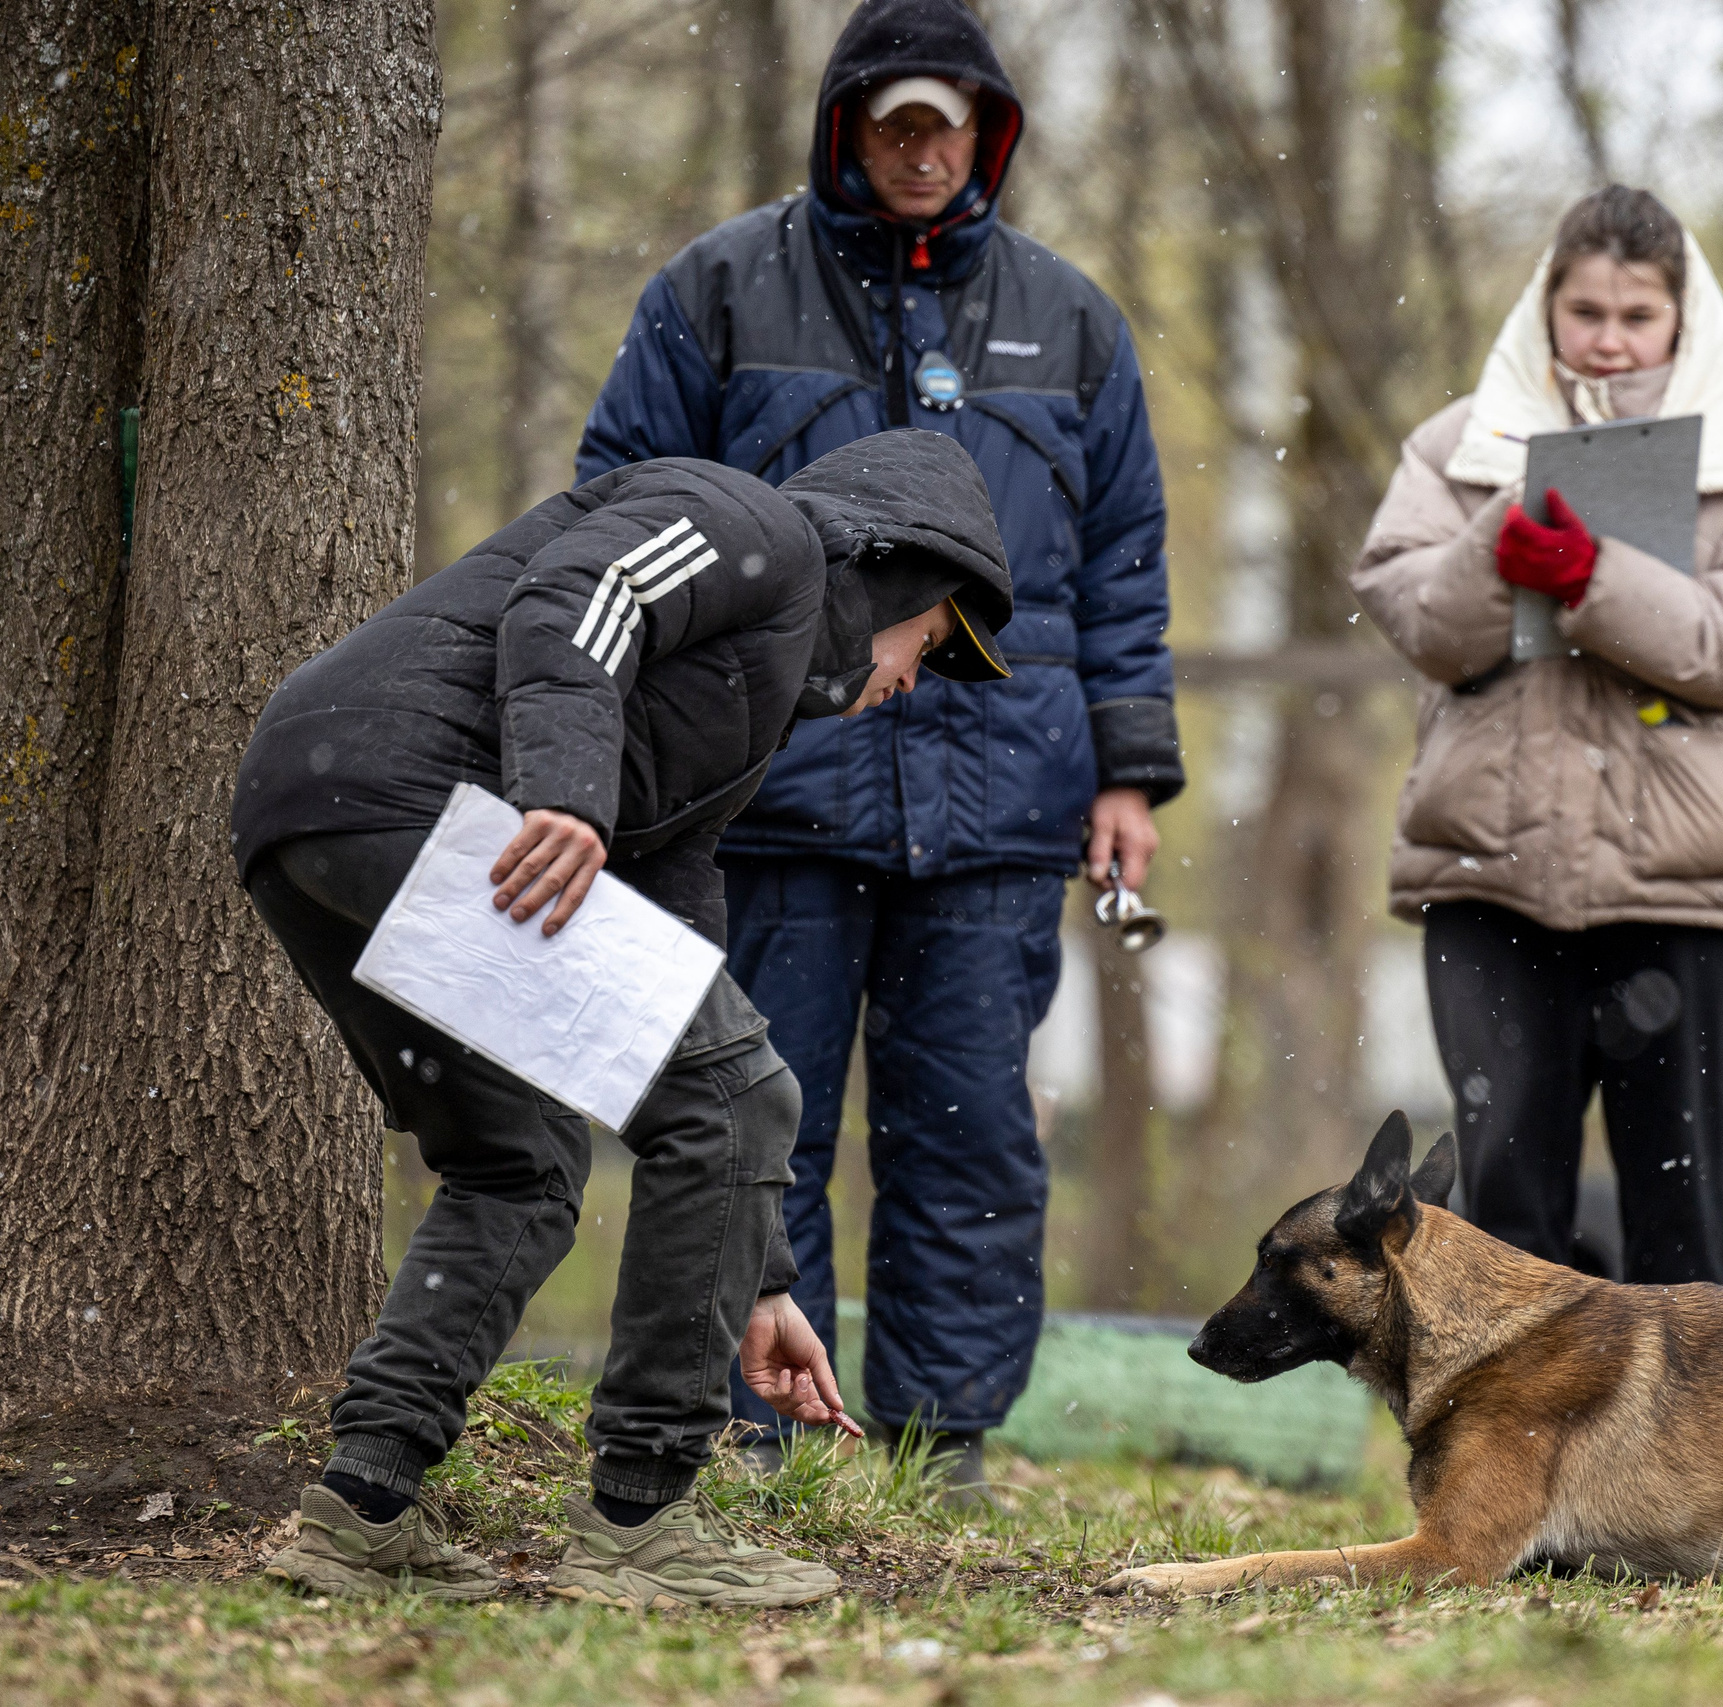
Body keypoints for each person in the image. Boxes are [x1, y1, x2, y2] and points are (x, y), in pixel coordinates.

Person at [239, 432, 1012, 1607]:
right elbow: (582, 592)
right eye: (937, 644)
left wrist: (761, 1277)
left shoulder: (742, 711)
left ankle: (360, 1511)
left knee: (523, 1160)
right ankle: (642, 1521)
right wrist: (564, 796)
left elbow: (679, 937)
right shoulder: (758, 529)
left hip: (313, 821)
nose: (917, 680)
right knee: (741, 1094)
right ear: (902, 574)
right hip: (413, 800)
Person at [574, 0, 1183, 1488]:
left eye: (949, 125)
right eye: (898, 121)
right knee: (750, 1116)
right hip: (769, 792)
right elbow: (618, 504)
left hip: (1001, 802)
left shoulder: (1075, 320)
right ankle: (756, 1422)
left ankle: (940, 1436)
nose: (923, 151)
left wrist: (1127, 767)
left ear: (989, 134)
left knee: (972, 1131)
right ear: (849, 123)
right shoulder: (714, 292)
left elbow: (1124, 567)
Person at [1349, 185, 1723, 1287]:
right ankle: (1511, 1464)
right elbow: (1418, 619)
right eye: (1586, 313)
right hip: (1491, 882)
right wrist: (1494, 550)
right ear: (1545, 309)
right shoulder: (1454, 449)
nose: (1609, 342)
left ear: (1682, 321)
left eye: (1637, 316)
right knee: (1503, 1231)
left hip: (1691, 892)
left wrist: (1592, 579)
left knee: (1682, 1231)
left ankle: (1693, 1466)